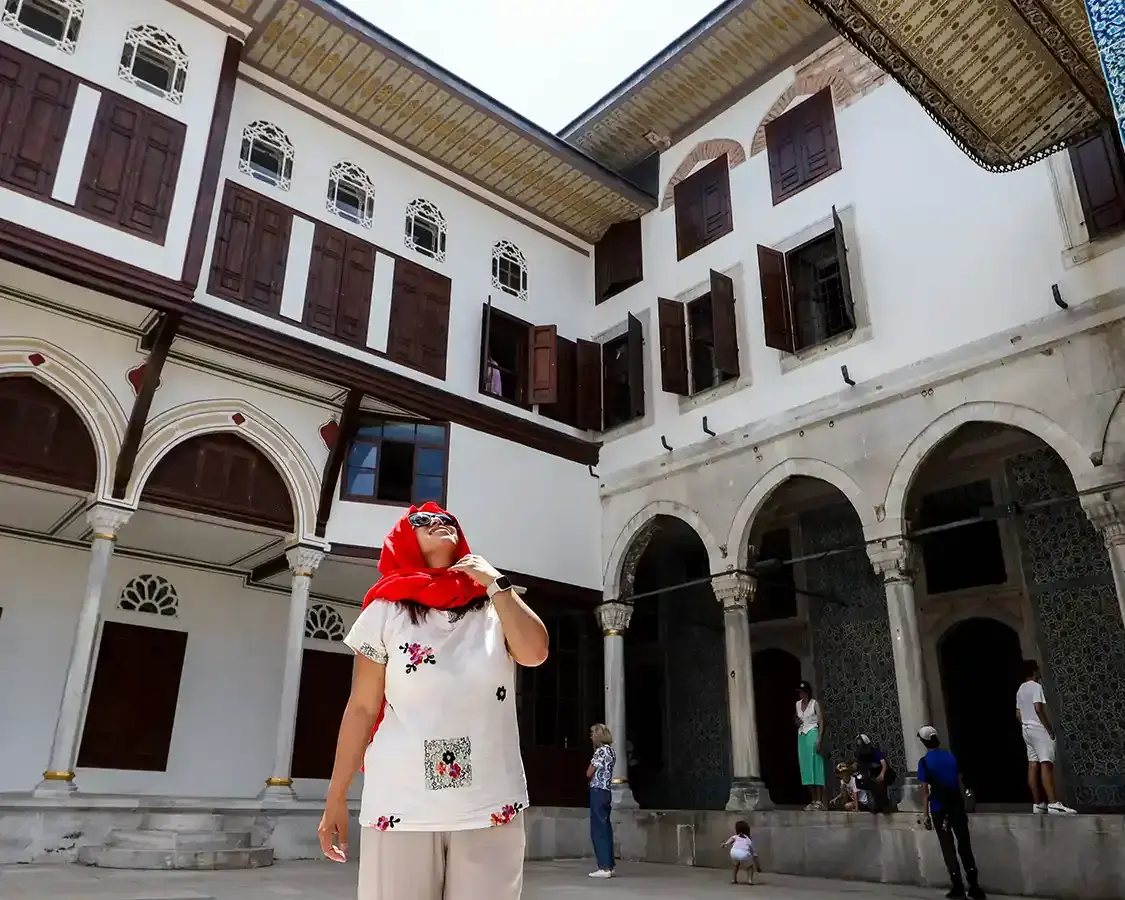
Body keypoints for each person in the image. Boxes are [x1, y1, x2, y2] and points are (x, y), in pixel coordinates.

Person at [317, 502, 549, 900]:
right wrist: (336, 797)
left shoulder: (493, 608)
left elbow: (535, 653)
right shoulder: (385, 611)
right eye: (422, 521)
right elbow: (362, 708)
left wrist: (497, 584)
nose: (438, 523)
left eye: (447, 520)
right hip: (402, 801)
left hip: (489, 801)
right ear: (404, 541)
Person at [917, 726, 985, 900]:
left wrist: (925, 815)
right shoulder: (950, 756)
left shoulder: (924, 762)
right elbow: (959, 779)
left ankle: (958, 888)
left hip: (940, 809)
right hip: (957, 806)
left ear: (924, 742)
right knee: (964, 844)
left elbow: (924, 791)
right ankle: (974, 886)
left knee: (948, 847)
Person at [1015, 660, 1076, 815]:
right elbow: (1038, 708)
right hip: (1038, 729)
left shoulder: (1020, 689)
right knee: (1046, 763)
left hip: (1026, 730)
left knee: (1032, 765)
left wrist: (1026, 725)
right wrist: (1048, 728)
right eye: (1038, 670)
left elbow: (1017, 713)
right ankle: (1053, 803)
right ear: (1034, 671)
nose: (1040, 672)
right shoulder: (1036, 687)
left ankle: (1038, 804)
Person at [586, 724, 617, 879]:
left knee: (598, 828)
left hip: (597, 790)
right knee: (605, 827)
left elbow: (589, 772)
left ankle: (604, 867)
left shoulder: (600, 751)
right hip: (607, 791)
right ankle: (609, 865)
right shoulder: (611, 751)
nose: (591, 737)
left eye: (592, 734)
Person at [795, 681, 826, 809]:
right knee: (806, 766)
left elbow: (821, 721)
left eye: (803, 691)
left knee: (816, 765)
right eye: (800, 692)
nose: (802, 694)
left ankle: (819, 800)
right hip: (802, 735)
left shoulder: (814, 703)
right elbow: (798, 720)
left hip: (812, 732)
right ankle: (812, 800)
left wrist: (819, 738)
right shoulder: (797, 704)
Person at [854, 734, 896, 813]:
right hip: (871, 775)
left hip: (884, 773)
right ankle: (874, 805)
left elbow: (884, 764)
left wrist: (882, 774)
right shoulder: (860, 755)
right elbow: (858, 766)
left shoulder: (875, 752)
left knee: (879, 783)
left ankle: (884, 805)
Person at [721, 820, 760, 884]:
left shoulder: (736, 836)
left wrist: (726, 844)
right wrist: (758, 866)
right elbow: (755, 855)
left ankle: (734, 879)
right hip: (743, 854)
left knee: (735, 865)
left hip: (733, 852)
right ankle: (750, 880)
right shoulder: (748, 840)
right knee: (750, 867)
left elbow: (731, 839)